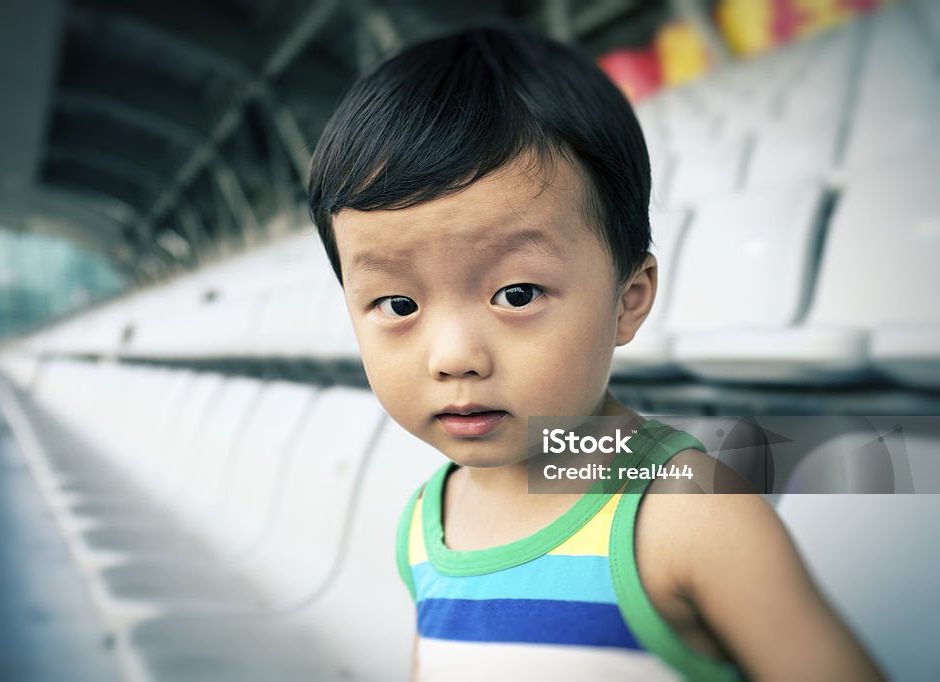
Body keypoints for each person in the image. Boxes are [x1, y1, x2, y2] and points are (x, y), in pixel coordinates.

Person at [307, 24, 885, 681]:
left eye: (517, 294)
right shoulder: (424, 525)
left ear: (628, 299)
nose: (454, 357)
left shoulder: (687, 512)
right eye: (399, 306)